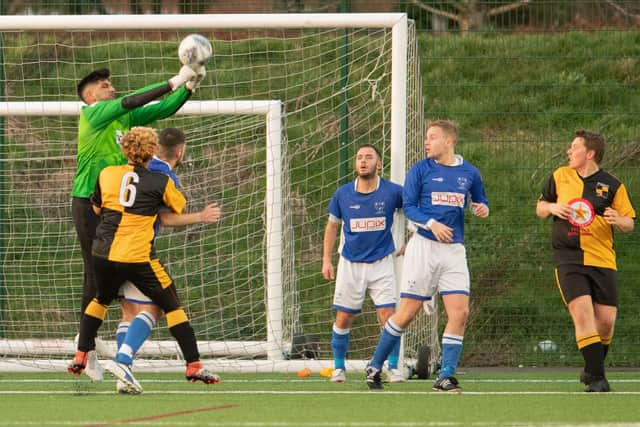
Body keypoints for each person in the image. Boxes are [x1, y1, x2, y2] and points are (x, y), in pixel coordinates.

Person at [71, 65, 205, 381]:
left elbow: (162, 109)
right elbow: (132, 101)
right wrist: (174, 78)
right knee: (96, 274)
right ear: (91, 95)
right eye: (104, 84)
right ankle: (85, 348)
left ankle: (116, 354)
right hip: (91, 202)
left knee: (116, 277)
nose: (111, 87)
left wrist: (188, 88)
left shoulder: (120, 120)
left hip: (117, 205)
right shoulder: (94, 115)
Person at [67, 127, 221, 394]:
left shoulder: (107, 173)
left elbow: (96, 207)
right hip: (136, 255)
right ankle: (191, 365)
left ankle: (81, 354)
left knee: (102, 301)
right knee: (170, 306)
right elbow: (176, 208)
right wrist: (199, 215)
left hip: (102, 252)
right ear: (152, 151)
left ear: (125, 149)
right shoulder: (161, 180)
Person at [365, 119, 489, 390]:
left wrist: (481, 208)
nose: (426, 142)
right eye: (426, 137)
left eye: (432, 137)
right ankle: (375, 365)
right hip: (423, 248)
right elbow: (409, 207)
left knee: (460, 312)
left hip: (454, 251)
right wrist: (432, 224)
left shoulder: (469, 172)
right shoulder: (420, 170)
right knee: (408, 312)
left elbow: (480, 200)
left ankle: (445, 374)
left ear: (449, 141)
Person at [536, 130, 635, 393]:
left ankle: (591, 369)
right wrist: (552, 208)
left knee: (606, 322)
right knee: (583, 315)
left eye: (574, 147)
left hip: (602, 258)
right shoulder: (560, 176)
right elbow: (541, 206)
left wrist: (618, 220)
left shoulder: (613, 184)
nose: (569, 151)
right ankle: (599, 380)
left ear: (589, 153)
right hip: (568, 258)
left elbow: (629, 222)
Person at [113, 127, 192, 393]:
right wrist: (200, 217)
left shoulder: (125, 166)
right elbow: (166, 218)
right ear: (180, 152)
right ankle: (123, 361)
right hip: (135, 250)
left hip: (106, 245)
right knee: (154, 309)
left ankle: (122, 374)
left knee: (128, 310)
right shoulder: (164, 175)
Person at [321, 144, 404, 383]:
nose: (363, 161)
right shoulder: (343, 193)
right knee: (343, 317)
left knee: (389, 315)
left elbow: (413, 210)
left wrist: (411, 238)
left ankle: (393, 367)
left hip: (382, 262)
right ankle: (339, 368)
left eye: (369, 157)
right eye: (359, 157)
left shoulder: (393, 192)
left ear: (379, 164)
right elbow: (332, 227)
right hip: (350, 263)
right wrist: (327, 260)